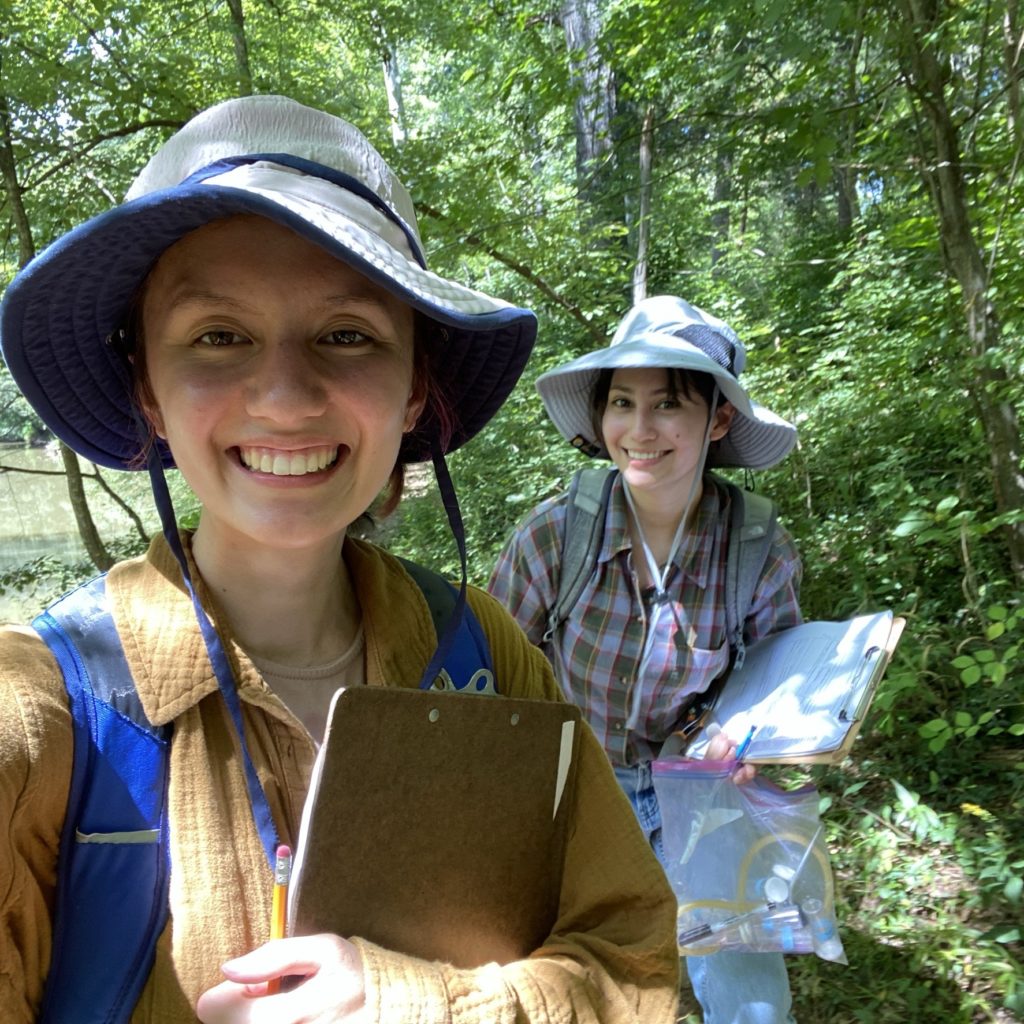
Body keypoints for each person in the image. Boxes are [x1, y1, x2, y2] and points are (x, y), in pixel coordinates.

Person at [0, 95, 680, 1023]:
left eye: (348, 334)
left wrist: (429, 1005)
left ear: (412, 391)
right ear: (149, 394)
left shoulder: (485, 655)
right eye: (218, 335)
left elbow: (631, 951)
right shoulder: (39, 718)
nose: (284, 397)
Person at [488, 295, 803, 1024]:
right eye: (622, 402)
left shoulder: (755, 547)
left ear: (717, 420)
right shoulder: (558, 535)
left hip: (699, 784)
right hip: (574, 781)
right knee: (562, 986)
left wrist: (746, 733)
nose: (640, 429)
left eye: (668, 405)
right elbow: (493, 664)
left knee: (753, 1003)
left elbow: (776, 675)